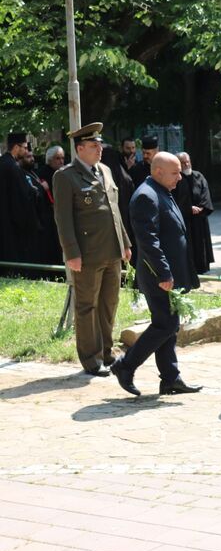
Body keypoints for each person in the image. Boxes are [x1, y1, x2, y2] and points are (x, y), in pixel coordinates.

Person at [110, 153, 202, 397]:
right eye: (175, 173)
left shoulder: (161, 190)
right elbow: (148, 241)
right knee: (165, 324)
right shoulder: (145, 196)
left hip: (167, 272)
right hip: (157, 274)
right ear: (158, 171)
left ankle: (170, 378)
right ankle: (125, 365)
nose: (180, 178)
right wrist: (164, 272)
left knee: (168, 325)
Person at [52, 123, 132, 375]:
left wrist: (126, 243)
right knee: (87, 306)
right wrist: (71, 253)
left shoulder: (105, 170)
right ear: (80, 149)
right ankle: (90, 358)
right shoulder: (65, 176)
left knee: (109, 303)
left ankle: (107, 353)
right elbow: (63, 219)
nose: (100, 149)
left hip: (111, 250)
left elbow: (115, 211)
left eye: (100, 145)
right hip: (86, 254)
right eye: (94, 145)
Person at [0, 133, 40, 269]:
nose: (26, 150)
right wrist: (34, 191)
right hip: (12, 224)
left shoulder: (3, 163)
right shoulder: (13, 167)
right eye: (24, 147)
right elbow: (22, 198)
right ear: (16, 147)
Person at [175, 153, 214, 274]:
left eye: (188, 162)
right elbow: (174, 198)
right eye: (183, 162)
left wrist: (201, 207)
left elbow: (205, 193)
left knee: (200, 245)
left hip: (199, 219)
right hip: (184, 219)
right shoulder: (176, 178)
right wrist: (188, 208)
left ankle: (201, 268)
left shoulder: (199, 176)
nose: (186, 165)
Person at [21, 149, 61, 266]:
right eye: (28, 157)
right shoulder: (21, 173)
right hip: (37, 219)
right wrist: (41, 187)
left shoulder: (33, 172)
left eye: (32, 156)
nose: (32, 159)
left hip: (47, 216)